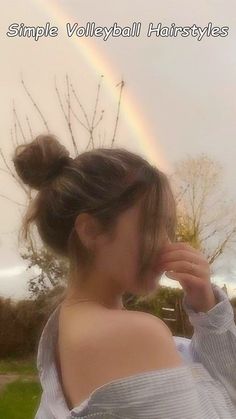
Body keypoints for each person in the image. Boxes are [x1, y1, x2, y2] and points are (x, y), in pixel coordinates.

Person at [12, 134, 236, 418]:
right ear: (90, 230)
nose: (167, 244)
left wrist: (205, 304)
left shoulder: (63, 331)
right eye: (152, 225)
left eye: (169, 229)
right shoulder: (135, 335)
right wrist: (211, 318)